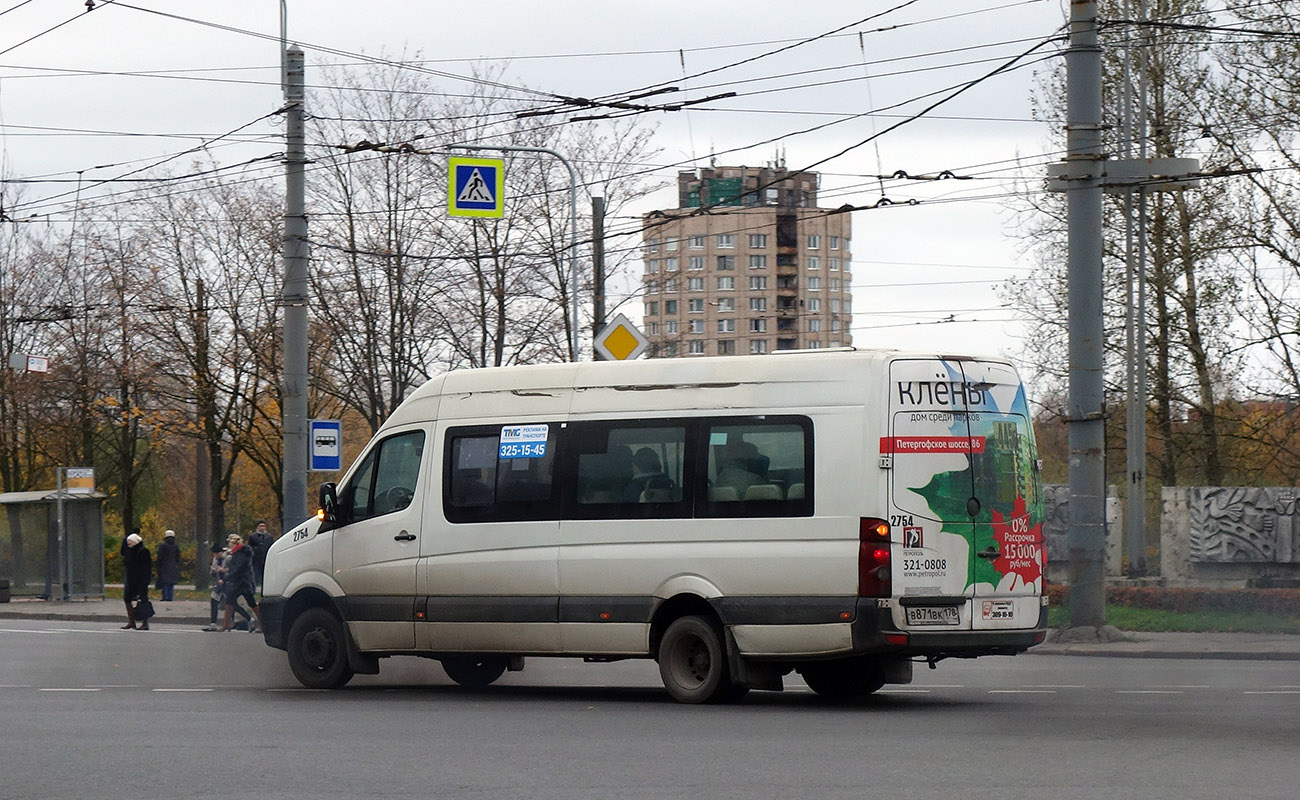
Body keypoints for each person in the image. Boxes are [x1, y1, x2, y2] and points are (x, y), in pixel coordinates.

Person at [214, 533, 262, 634]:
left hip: (243, 582)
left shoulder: (242, 553)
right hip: (237, 582)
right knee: (229, 602)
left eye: (229, 543)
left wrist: (226, 578)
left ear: (234, 543)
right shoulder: (236, 553)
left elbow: (237, 569)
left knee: (251, 603)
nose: (228, 545)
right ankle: (226, 625)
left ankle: (262, 624)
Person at [121, 531, 152, 631]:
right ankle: (131, 621)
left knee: (143, 600)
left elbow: (146, 568)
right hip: (131, 580)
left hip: (140, 580)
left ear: (135, 542)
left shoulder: (143, 551)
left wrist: (145, 582)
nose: (129, 544)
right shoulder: (130, 551)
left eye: (130, 542)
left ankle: (145, 623)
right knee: (127, 598)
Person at [155, 530, 181, 602]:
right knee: (171, 583)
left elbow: (160, 556)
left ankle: (165, 596)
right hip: (173, 566)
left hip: (164, 566)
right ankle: (170, 597)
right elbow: (178, 556)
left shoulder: (163, 545)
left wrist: (158, 565)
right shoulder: (175, 545)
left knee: (164, 582)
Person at [247, 519, 273, 592]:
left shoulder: (269, 537)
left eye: (264, 526)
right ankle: (252, 591)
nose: (262, 528)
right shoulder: (252, 536)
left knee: (265, 578)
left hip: (265, 560)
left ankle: (264, 591)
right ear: (257, 527)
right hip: (256, 560)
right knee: (255, 577)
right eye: (261, 526)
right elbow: (249, 547)